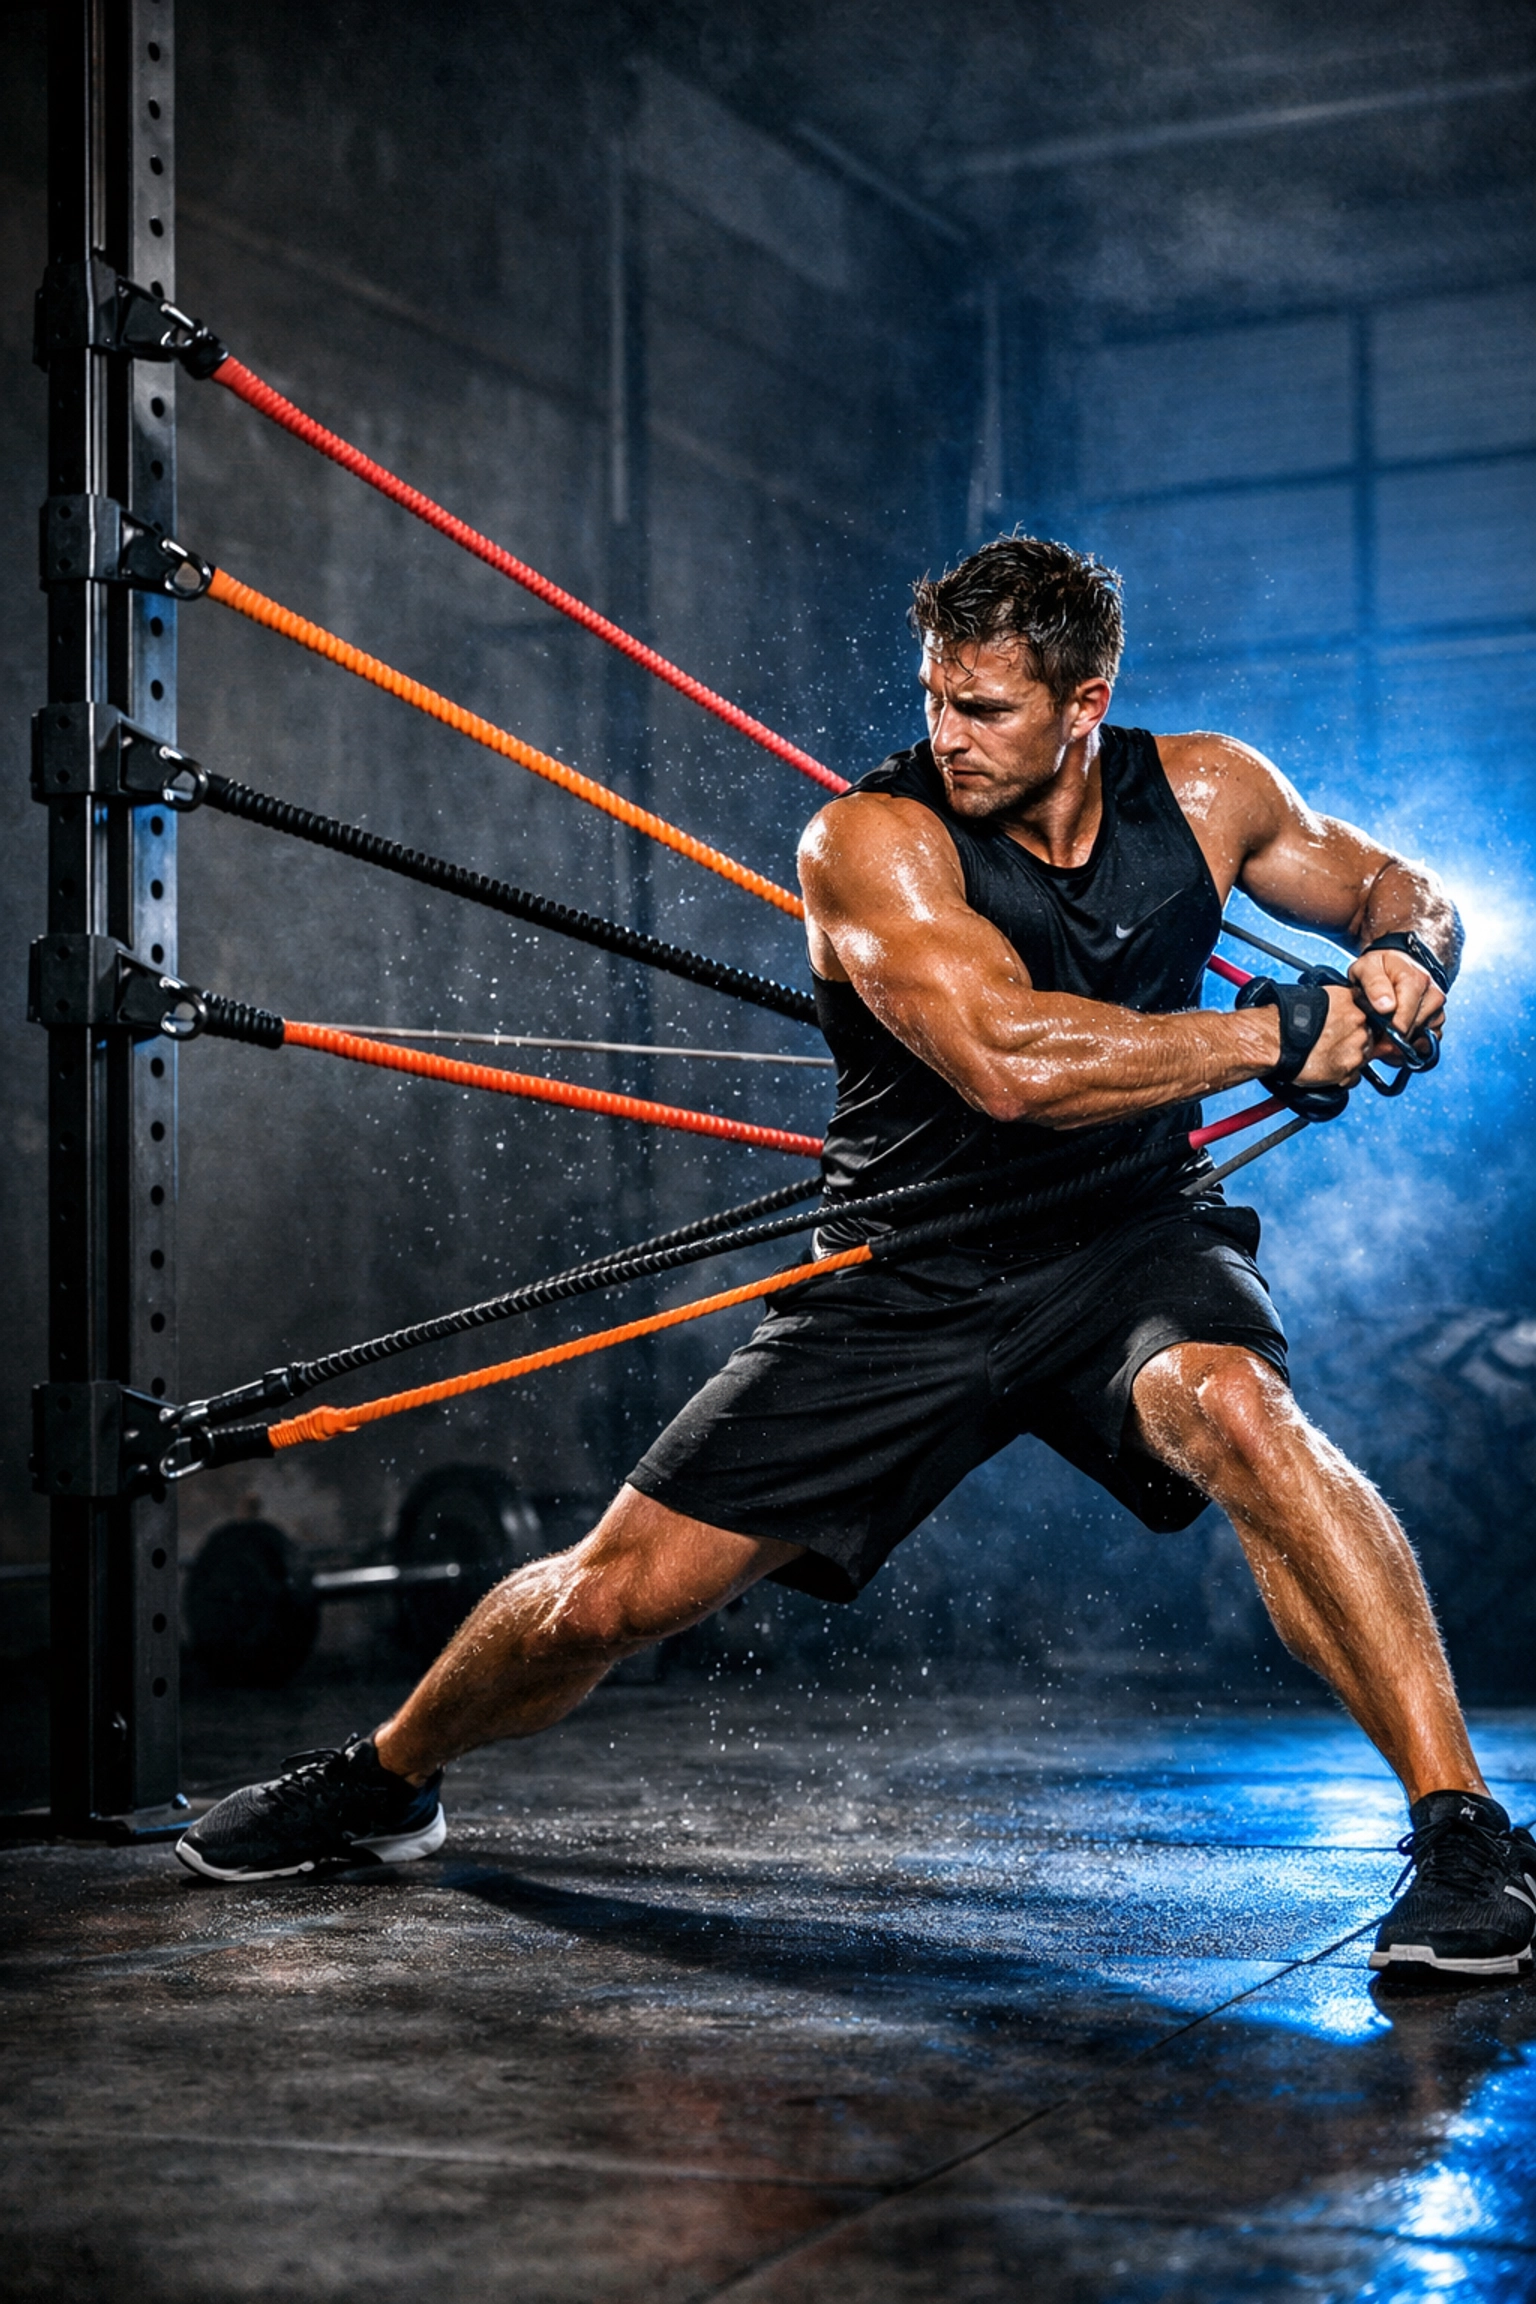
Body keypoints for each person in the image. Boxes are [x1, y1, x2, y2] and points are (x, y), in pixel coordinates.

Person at [176, 535, 1535, 1981]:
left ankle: (1466, 1834)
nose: (947, 735)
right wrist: (1281, 1031)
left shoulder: (1210, 794)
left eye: (988, 709)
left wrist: (1409, 962)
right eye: (937, 698)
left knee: (1243, 1414)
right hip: (907, 1274)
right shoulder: (870, 840)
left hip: (1126, 1244)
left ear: (1088, 703)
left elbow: (1400, 886)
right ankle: (386, 1777)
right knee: (605, 1600)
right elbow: (1010, 1063)